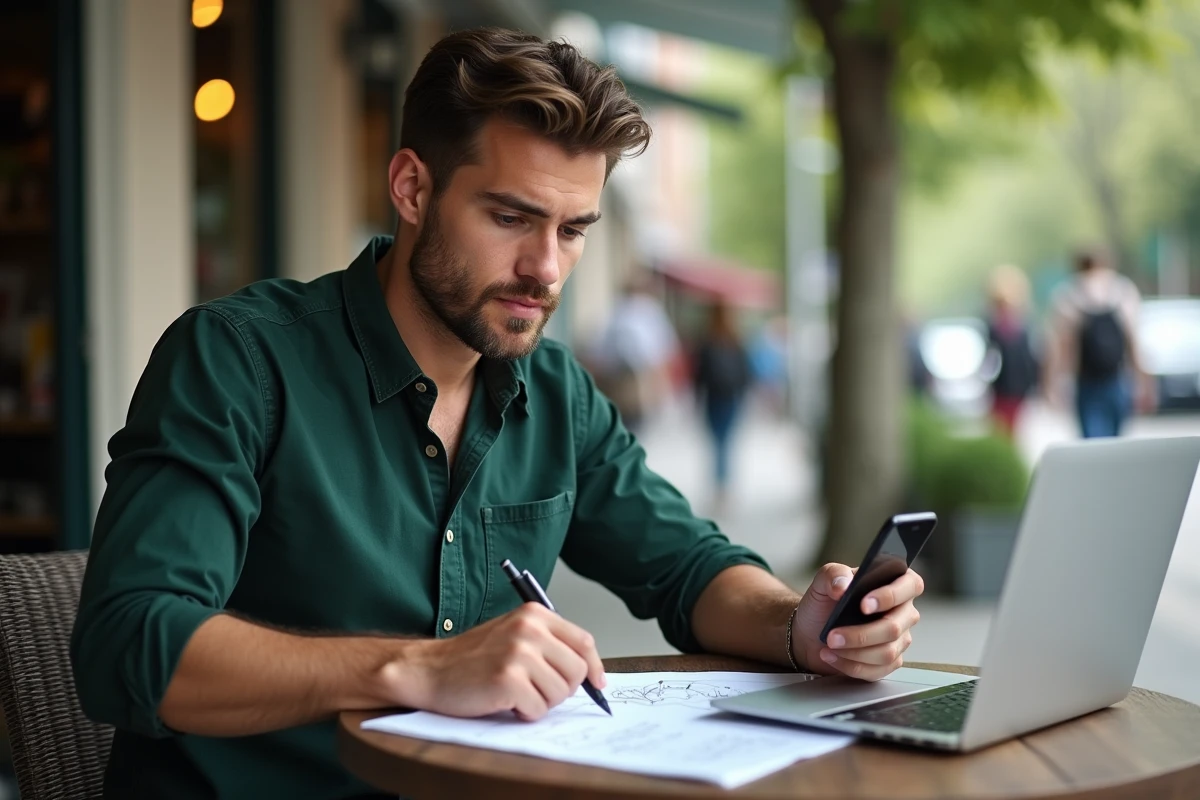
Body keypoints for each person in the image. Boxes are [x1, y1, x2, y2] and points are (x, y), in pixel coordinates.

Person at [71, 29, 924, 799]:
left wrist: (799, 629)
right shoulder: (236, 361)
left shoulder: (553, 391)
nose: (546, 269)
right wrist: (423, 668)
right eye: (511, 217)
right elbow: (132, 644)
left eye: (574, 229)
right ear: (411, 187)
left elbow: (688, 569)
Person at [1044, 248, 1155, 438]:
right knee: (1116, 441)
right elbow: (1134, 341)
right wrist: (1146, 381)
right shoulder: (1122, 290)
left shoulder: (1069, 295)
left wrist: (1051, 384)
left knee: (1092, 443)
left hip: (1086, 381)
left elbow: (1061, 347)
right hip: (1117, 378)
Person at [586, 273, 679, 432]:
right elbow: (663, 350)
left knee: (621, 426)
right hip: (639, 380)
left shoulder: (616, 311)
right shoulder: (650, 311)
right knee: (636, 427)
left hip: (614, 382)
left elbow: (597, 350)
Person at [693, 300, 753, 511]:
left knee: (718, 443)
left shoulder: (708, 340)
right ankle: (724, 489)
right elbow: (746, 372)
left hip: (713, 398)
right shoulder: (736, 339)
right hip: (731, 398)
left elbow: (699, 375)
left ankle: (720, 489)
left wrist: (695, 400)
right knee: (726, 443)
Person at [984, 264, 1039, 437]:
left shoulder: (1018, 325)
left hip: (1014, 387)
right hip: (1005, 387)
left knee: (1010, 428)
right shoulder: (999, 326)